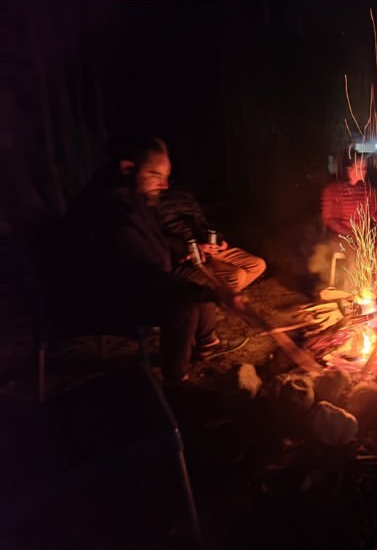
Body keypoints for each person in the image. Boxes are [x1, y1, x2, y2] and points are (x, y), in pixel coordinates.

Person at [57, 137, 247, 383]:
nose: (164, 185)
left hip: (143, 278)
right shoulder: (110, 211)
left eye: (166, 177)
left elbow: (157, 242)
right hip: (106, 297)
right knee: (183, 305)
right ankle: (176, 380)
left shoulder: (134, 197)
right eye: (155, 175)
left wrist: (184, 250)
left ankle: (205, 341)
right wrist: (216, 295)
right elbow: (144, 276)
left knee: (199, 279)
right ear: (127, 168)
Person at [157, 187, 266, 293]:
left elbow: (202, 224)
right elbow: (163, 239)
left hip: (208, 247)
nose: (163, 184)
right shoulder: (154, 205)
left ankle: (226, 297)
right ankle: (227, 298)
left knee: (258, 265)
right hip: (191, 253)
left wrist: (219, 241)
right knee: (237, 276)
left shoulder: (185, 196)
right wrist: (195, 247)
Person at [320, 153, 377, 239]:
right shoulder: (332, 190)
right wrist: (350, 233)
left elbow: (371, 215)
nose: (364, 171)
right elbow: (329, 219)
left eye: (365, 168)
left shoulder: (367, 189)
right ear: (349, 169)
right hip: (340, 238)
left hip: (363, 236)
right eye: (360, 168)